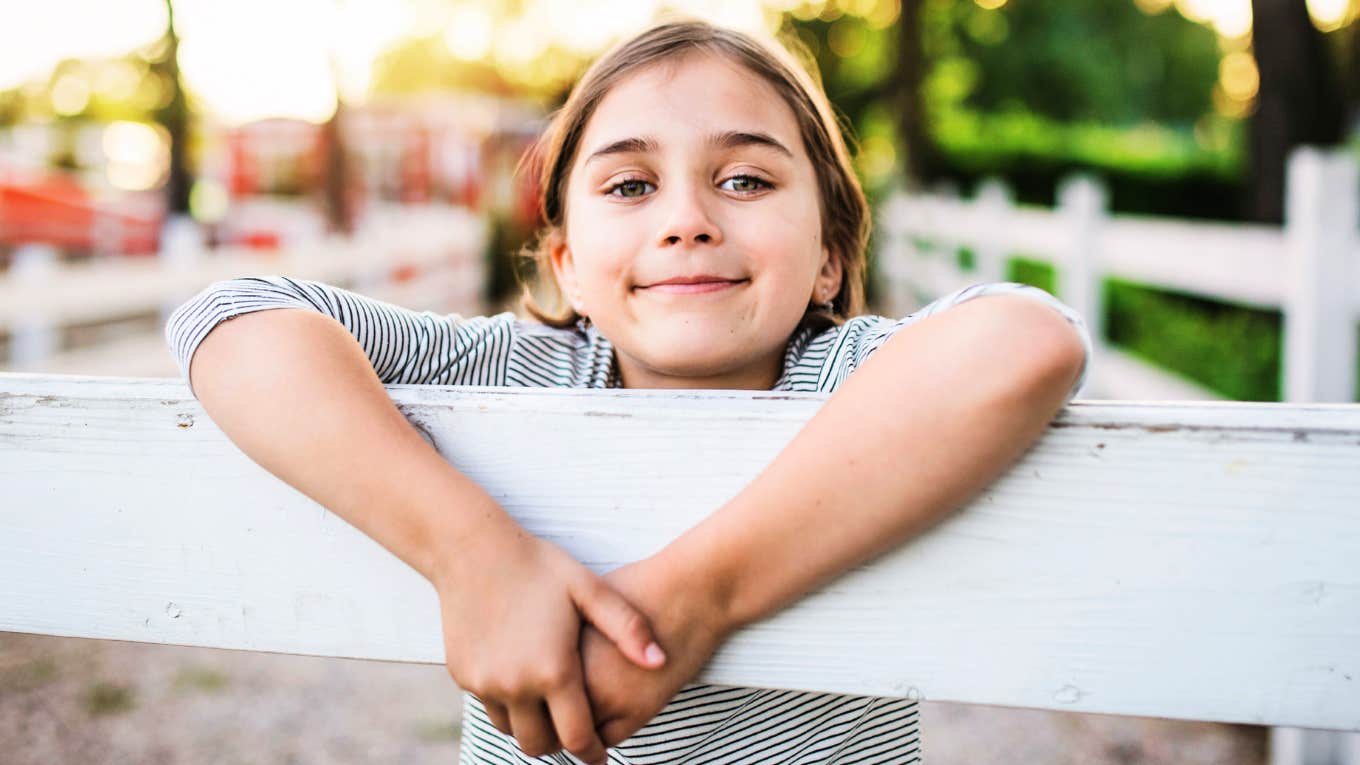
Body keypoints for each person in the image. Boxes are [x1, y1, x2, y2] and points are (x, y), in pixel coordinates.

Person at [165, 19, 1092, 765]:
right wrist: (474, 553)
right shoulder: (518, 370)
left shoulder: (849, 378)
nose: (687, 220)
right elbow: (233, 316)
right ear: (566, 265)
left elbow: (1026, 339)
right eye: (631, 184)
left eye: (745, 178)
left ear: (829, 259)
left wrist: (695, 599)